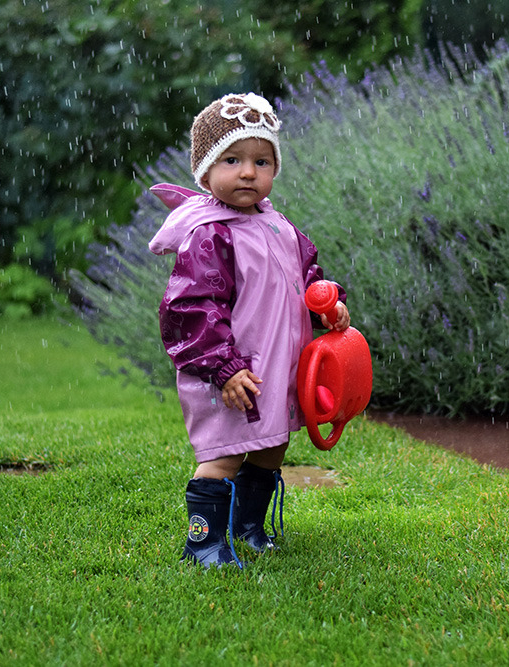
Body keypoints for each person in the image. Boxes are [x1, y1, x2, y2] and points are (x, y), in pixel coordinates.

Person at [148, 92, 350, 567]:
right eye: (232, 159)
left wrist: (328, 304)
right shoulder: (210, 235)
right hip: (233, 374)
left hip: (277, 368)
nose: (247, 172)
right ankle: (203, 543)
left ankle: (248, 527)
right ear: (204, 171)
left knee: (272, 446)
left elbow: (307, 278)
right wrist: (223, 368)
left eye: (261, 161)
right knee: (225, 454)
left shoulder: (281, 227)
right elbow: (192, 310)